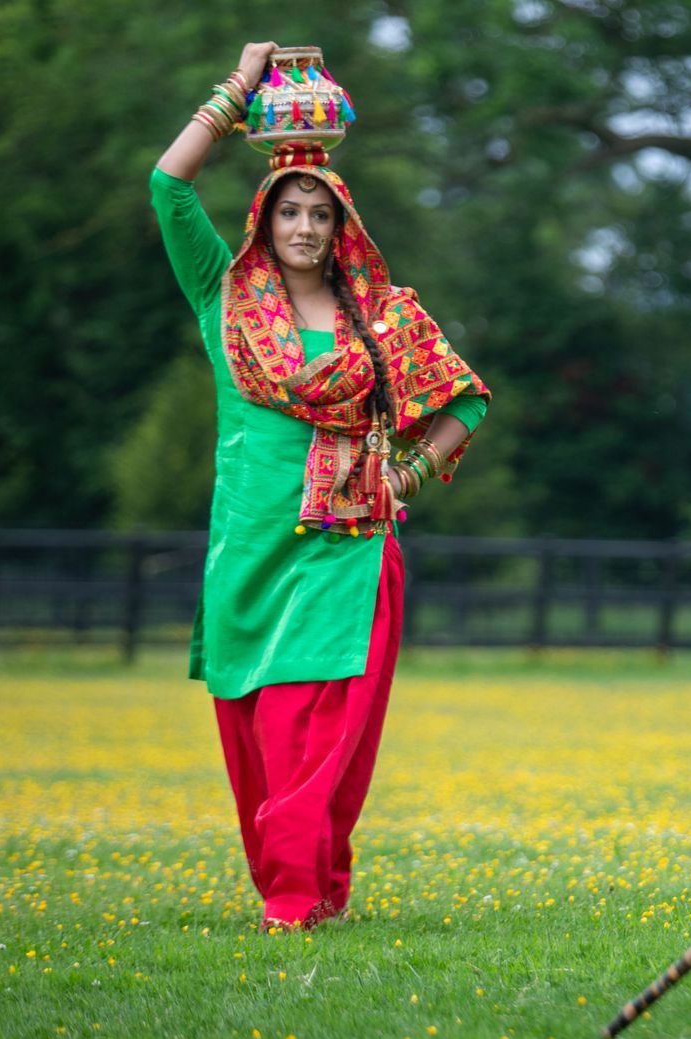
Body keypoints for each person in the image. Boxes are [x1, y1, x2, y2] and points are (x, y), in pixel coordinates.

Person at [151, 41, 489, 928]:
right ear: (264, 219)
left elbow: (467, 403)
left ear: (343, 228)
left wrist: (409, 470)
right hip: (251, 544)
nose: (304, 228)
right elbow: (168, 186)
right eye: (290, 212)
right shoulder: (221, 293)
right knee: (259, 737)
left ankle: (298, 902)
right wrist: (238, 85)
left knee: (322, 734)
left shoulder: (378, 315)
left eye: (320, 216)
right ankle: (309, 889)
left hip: (348, 547)